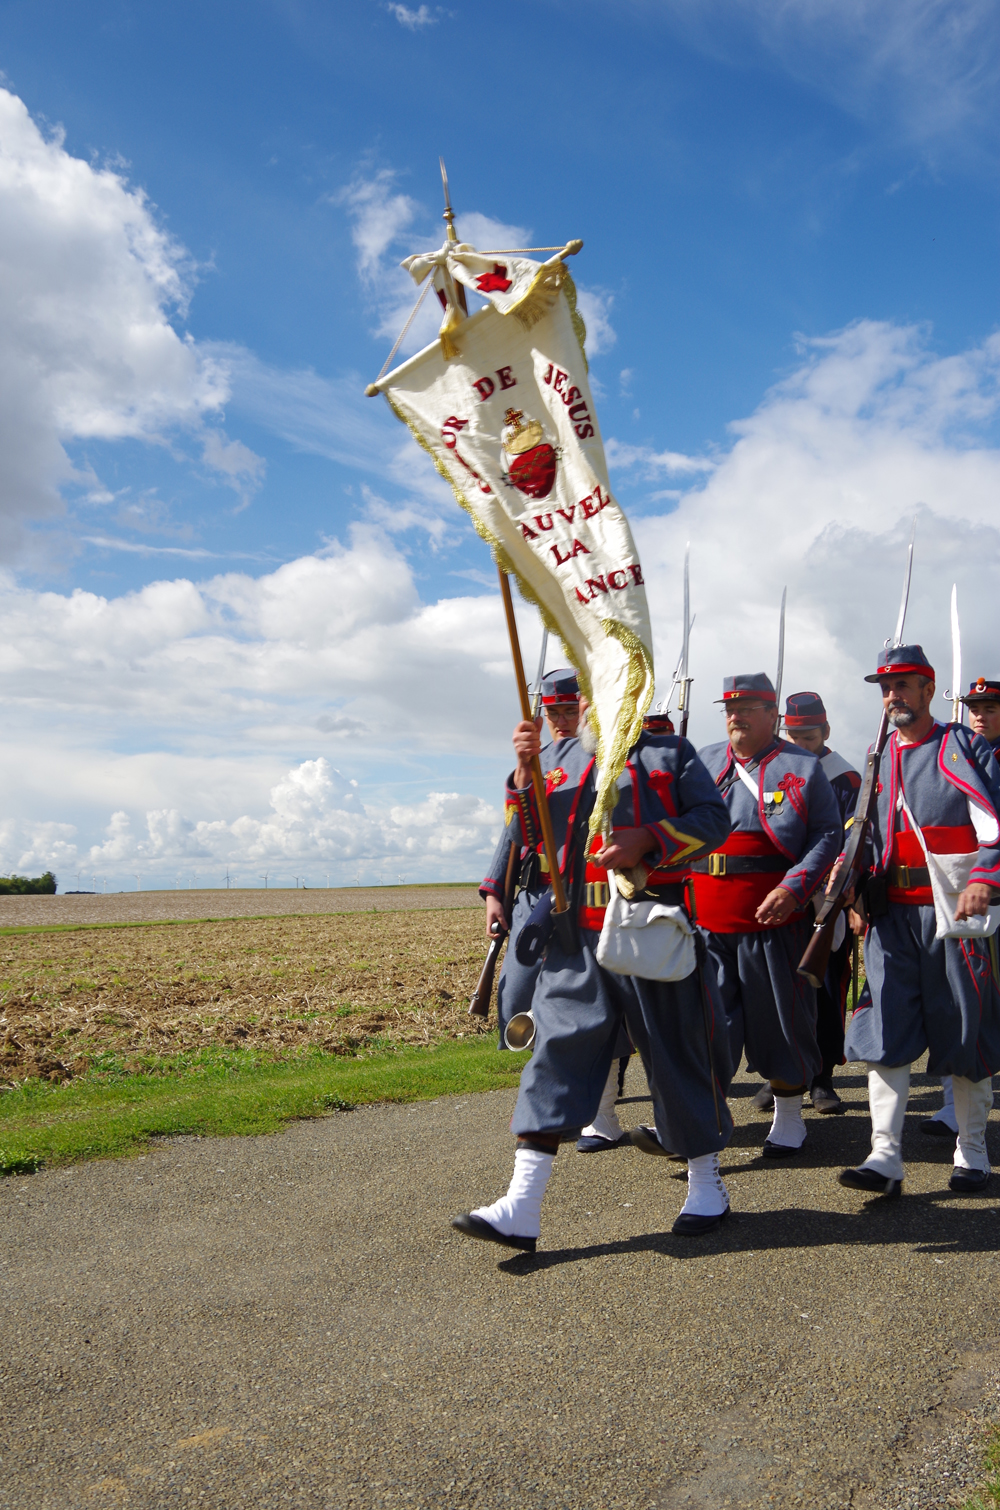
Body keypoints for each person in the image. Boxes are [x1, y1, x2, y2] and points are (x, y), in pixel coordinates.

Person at [452, 702, 733, 1248]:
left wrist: (650, 837)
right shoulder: (555, 755)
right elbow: (530, 835)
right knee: (551, 1057)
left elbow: (714, 823)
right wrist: (521, 778)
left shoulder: (668, 753)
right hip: (574, 937)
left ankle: (707, 1184)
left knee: (678, 1056)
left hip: (649, 929)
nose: (590, 701)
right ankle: (521, 1207)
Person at [839, 645, 1000, 1198]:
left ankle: (972, 1152)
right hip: (892, 919)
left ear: (929, 689)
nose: (893, 697)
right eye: (886, 688)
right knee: (887, 1030)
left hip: (955, 913)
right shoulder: (875, 754)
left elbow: (994, 823)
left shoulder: (963, 746)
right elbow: (863, 834)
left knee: (965, 1027)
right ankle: (885, 1156)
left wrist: (986, 878)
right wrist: (852, 890)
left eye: (903, 685)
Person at [692, 674, 842, 1157]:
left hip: (772, 915)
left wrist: (794, 888)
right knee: (705, 1024)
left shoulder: (801, 765)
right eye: (731, 709)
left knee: (782, 1020)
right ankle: (701, 1118)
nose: (736, 716)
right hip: (708, 917)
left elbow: (826, 835)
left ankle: (790, 1117)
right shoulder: (705, 761)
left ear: (772, 714)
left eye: (749, 708)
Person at [478, 670, 581, 1051]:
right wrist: (493, 893)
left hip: (583, 893)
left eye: (570, 711)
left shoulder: (603, 755)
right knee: (519, 994)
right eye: (554, 714)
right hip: (534, 896)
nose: (562, 722)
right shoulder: (536, 760)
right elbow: (513, 831)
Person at [772, 691, 862, 1115]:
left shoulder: (844, 778)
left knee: (826, 989)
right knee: (778, 987)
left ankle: (823, 1077)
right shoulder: (775, 770)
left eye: (808, 737)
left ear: (825, 732)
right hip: (782, 895)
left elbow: (849, 839)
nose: (800, 744)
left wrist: (841, 889)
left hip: (825, 898)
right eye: (793, 735)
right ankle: (785, 1075)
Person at [922, 676, 1000, 1139]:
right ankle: (956, 1106)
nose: (980, 714)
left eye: (990, 707)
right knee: (965, 1008)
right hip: (967, 902)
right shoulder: (954, 759)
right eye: (974, 707)